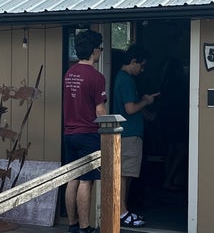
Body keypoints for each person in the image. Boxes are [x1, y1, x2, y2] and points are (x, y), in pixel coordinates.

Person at [62, 30, 105, 233]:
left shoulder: (69, 73)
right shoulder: (96, 77)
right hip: (88, 133)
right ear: (95, 50)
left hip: (69, 133)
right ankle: (85, 227)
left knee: (73, 178)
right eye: (100, 49)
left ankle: (72, 225)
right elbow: (100, 109)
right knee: (87, 181)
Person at [112, 44, 158, 228]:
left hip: (128, 134)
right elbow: (130, 109)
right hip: (129, 134)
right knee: (124, 174)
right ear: (133, 61)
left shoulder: (122, 79)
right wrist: (146, 101)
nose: (142, 69)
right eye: (142, 65)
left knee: (127, 174)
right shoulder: (127, 80)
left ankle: (123, 210)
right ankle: (121, 212)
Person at [158, 58, 188, 190]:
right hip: (178, 120)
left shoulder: (164, 83)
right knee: (182, 150)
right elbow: (184, 103)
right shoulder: (179, 84)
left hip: (166, 120)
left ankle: (167, 179)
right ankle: (169, 180)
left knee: (170, 151)